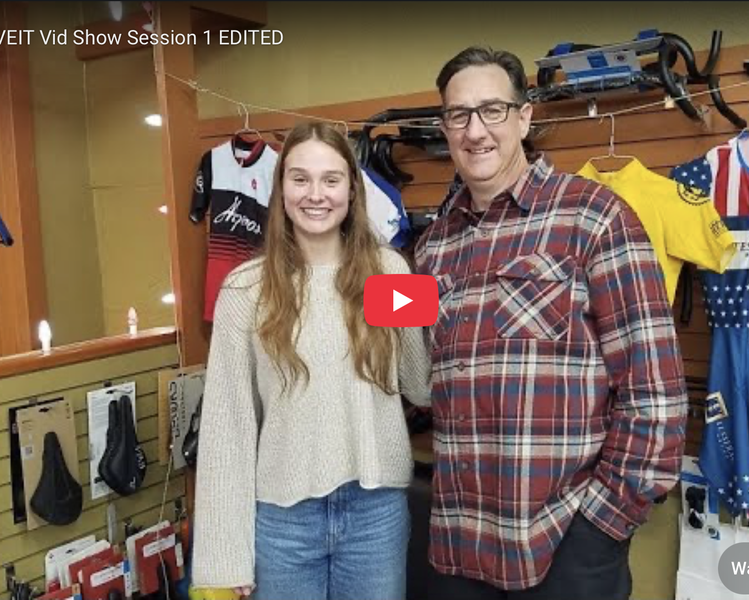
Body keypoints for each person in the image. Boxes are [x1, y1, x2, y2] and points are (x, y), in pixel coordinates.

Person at [414, 46, 689, 600]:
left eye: (492, 110)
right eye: (458, 115)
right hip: (457, 546)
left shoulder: (594, 216)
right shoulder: (430, 249)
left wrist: (603, 525)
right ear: (444, 127)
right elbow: (411, 378)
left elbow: (654, 393)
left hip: (565, 546)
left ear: (524, 117)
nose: (475, 130)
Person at [191, 121, 431, 600]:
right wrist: (224, 558)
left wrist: (426, 308)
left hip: (375, 513)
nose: (315, 194)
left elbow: (419, 386)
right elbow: (228, 428)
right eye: (300, 179)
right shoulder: (244, 289)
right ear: (280, 190)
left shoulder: (390, 271)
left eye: (331, 179)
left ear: (351, 190)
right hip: (282, 522)